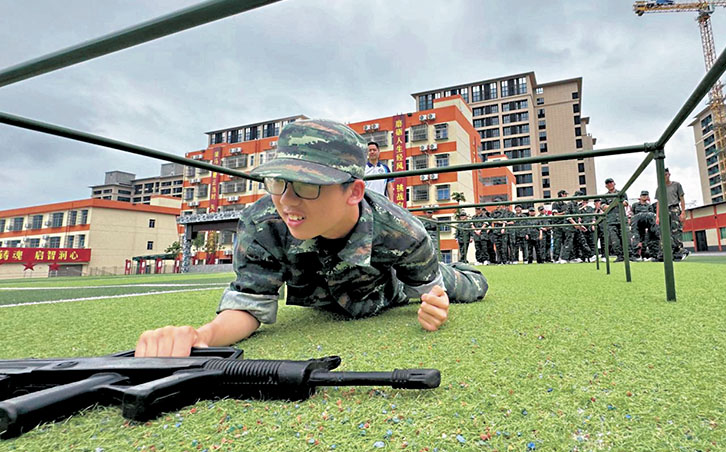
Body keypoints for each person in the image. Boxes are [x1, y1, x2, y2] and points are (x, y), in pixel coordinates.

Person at [135, 119, 488, 357]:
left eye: (306, 185)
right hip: (331, 299)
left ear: (354, 191)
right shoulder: (262, 223)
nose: (287, 201)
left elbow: (431, 291)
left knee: (465, 287)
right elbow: (249, 304)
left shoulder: (402, 231)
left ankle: (467, 270)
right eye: (277, 182)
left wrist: (435, 303)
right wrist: (202, 337)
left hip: (392, 287)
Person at [655, 168, 687, 261]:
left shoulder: (676, 185)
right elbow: (658, 202)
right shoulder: (660, 188)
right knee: (664, 232)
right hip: (664, 210)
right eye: (663, 175)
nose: (665, 176)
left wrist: (683, 212)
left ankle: (678, 251)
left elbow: (682, 198)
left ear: (669, 174)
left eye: (666, 174)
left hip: (674, 208)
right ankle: (664, 253)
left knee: (675, 230)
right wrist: (657, 216)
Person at [602, 179, 629, 262]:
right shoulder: (604, 196)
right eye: (608, 183)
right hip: (611, 220)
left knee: (626, 238)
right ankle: (620, 256)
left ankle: (629, 255)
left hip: (621, 219)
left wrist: (611, 205)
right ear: (606, 186)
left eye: (611, 182)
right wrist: (616, 203)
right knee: (614, 240)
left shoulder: (621, 193)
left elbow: (625, 203)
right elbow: (603, 207)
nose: (610, 184)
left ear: (614, 183)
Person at [630, 191, 659, 261]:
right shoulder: (635, 205)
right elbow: (632, 214)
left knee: (646, 240)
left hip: (646, 225)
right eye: (643, 195)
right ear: (640, 196)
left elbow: (651, 217)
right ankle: (636, 256)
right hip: (637, 224)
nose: (644, 197)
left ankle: (646, 255)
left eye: (646, 195)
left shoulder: (649, 206)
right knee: (636, 238)